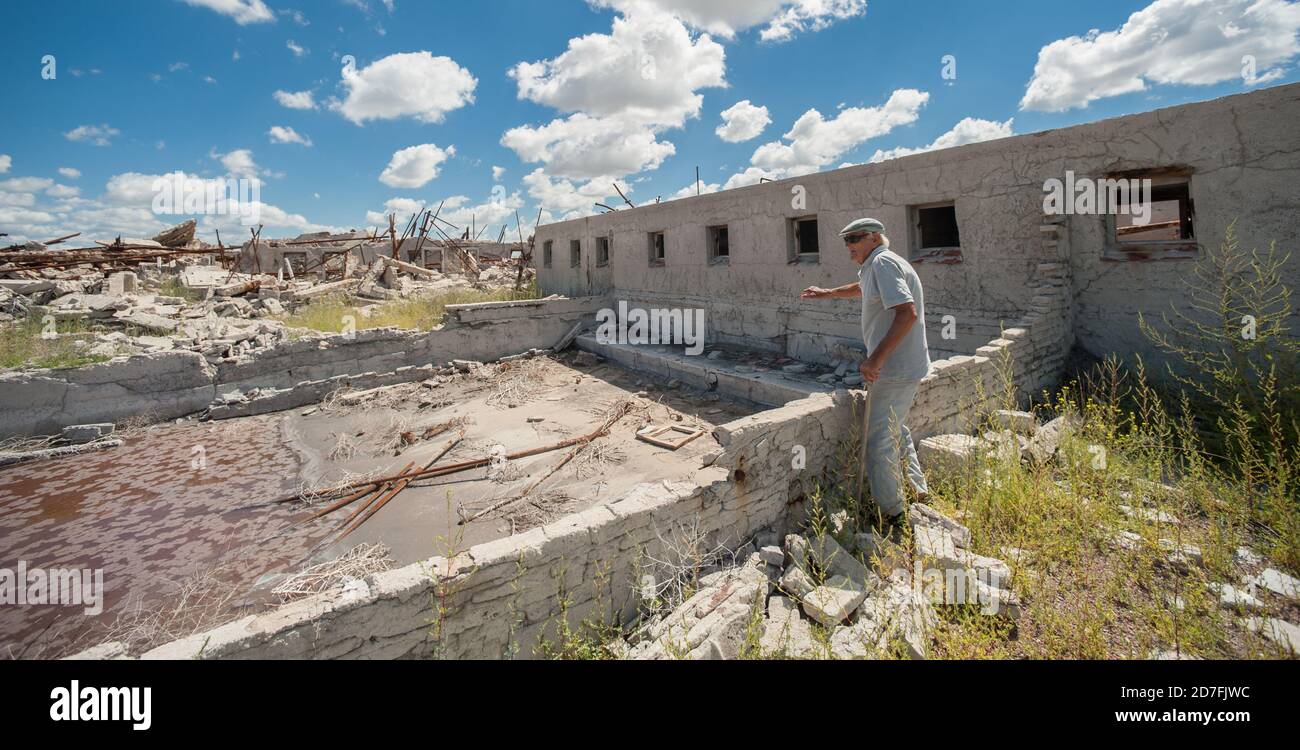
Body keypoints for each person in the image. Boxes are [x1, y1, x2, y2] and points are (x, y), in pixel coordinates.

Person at [800, 218, 931, 524]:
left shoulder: (883, 263)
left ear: (874, 237)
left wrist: (876, 359)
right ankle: (916, 487)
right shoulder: (877, 266)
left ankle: (893, 513)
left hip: (895, 367)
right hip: (903, 365)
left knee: (878, 441)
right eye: (846, 241)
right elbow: (862, 289)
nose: (849, 246)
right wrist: (828, 293)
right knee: (894, 426)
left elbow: (906, 313)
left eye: (855, 239)